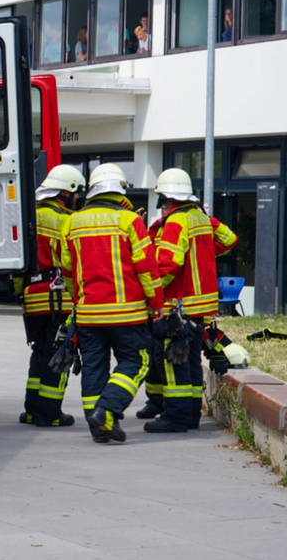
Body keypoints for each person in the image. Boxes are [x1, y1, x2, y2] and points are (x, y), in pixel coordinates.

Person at [59, 163, 163, 444]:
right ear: (119, 190)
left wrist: (78, 301)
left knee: (94, 368)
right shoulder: (130, 221)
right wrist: (156, 303)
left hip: (89, 313)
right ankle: (108, 410)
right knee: (136, 361)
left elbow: (67, 270)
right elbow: (146, 268)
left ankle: (100, 427)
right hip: (127, 313)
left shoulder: (72, 222)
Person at [137, 168, 239, 433]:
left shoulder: (176, 222)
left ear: (165, 199)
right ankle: (191, 413)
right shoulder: (200, 219)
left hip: (178, 306)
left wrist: (150, 292)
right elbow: (229, 239)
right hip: (201, 307)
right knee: (191, 359)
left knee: (174, 362)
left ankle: (178, 418)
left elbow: (168, 264)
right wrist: (205, 239)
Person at [19, 165, 86, 428]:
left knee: (39, 352)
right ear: (66, 192)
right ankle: (50, 413)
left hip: (32, 296)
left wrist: (20, 294)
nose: (78, 198)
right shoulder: (66, 220)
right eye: (76, 192)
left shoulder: (30, 216)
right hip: (58, 297)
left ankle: (32, 409)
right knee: (59, 353)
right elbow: (71, 262)